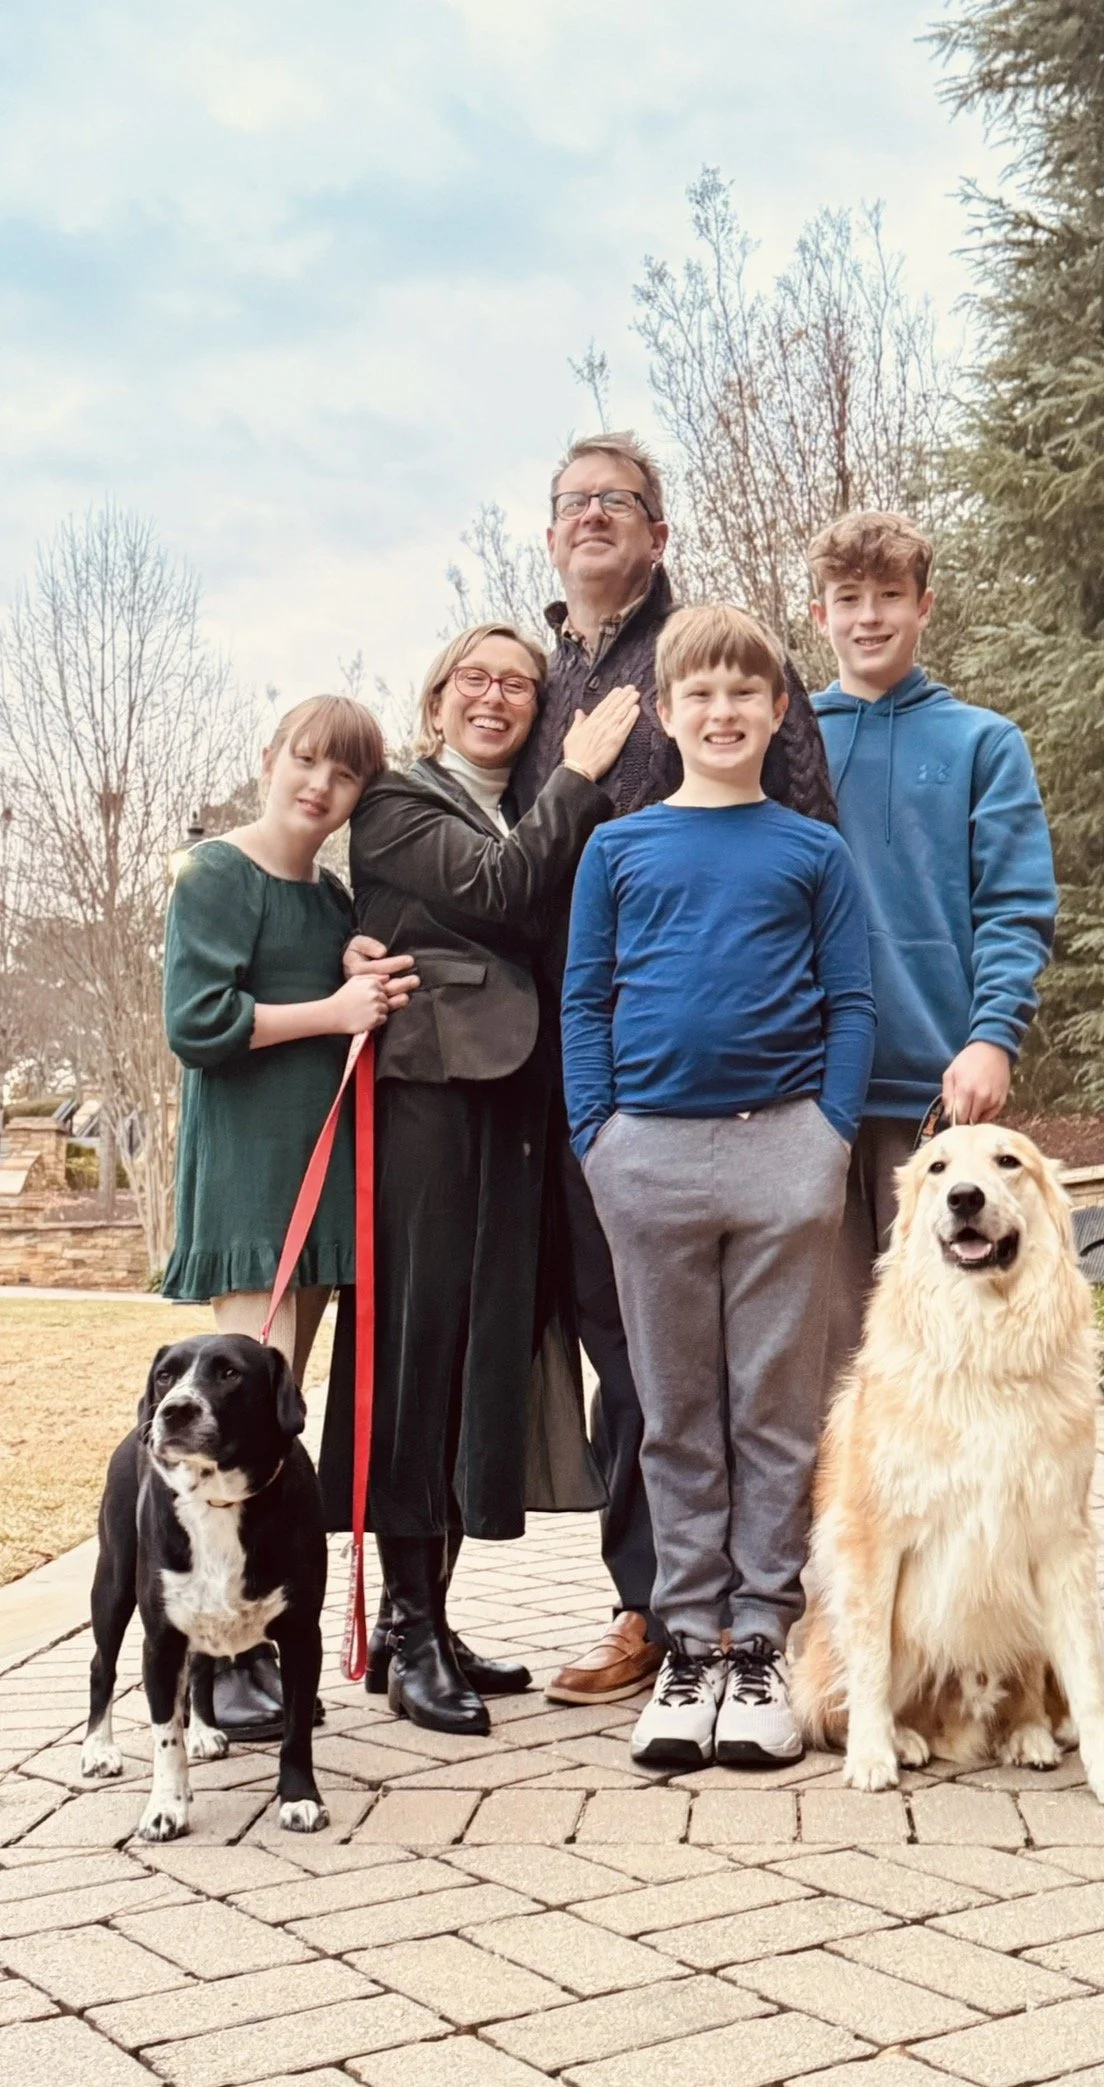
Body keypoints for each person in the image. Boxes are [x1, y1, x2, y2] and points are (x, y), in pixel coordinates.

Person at [512, 431, 840, 1709]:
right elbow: (498, 849)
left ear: (659, 533)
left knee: (755, 1371)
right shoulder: (537, 683)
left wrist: (818, 1109)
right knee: (630, 1356)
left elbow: (808, 839)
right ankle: (655, 1604)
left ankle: (758, 1613)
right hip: (587, 1081)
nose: (593, 516)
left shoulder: (716, 656)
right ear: (550, 534)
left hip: (749, 1094)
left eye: (620, 501)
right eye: (573, 501)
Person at [562, 603, 874, 1769]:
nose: (723, 709)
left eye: (746, 691)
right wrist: (599, 1135)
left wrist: (827, 1136)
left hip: (783, 1149)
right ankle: (688, 1640)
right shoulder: (618, 849)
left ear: (779, 709)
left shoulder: (812, 851)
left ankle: (759, 1644)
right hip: (646, 1154)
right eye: (700, 691)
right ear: (666, 710)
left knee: (773, 1408)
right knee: (675, 1408)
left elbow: (851, 999)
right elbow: (584, 998)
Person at [318, 624, 639, 1737]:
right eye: (475, 678)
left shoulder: (527, 808)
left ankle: (432, 1619)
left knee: (473, 1359)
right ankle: (406, 1633)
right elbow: (497, 888)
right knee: (417, 1354)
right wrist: (579, 773)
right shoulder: (396, 802)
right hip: (427, 1105)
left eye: (518, 683)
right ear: (437, 698)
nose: (495, 696)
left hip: (518, 1111)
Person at [162, 694, 414, 1737]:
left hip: (319, 1182)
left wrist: (353, 964)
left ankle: (254, 1632)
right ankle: (212, 1658)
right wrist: (332, 1009)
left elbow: (336, 983)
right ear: (269, 758)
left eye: (344, 774)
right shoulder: (217, 872)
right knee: (221, 1429)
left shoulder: (328, 896)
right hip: (253, 1179)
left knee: (273, 1425)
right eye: (306, 761)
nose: (321, 785)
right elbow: (198, 1021)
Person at [809, 511, 1057, 1388]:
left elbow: (1016, 906)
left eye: (888, 595)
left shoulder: (983, 743)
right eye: (848, 598)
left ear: (924, 606)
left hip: (938, 1102)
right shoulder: (783, 740)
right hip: (808, 1094)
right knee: (825, 1365)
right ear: (819, 614)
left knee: (943, 1355)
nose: (868, 616)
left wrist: (992, 1035)